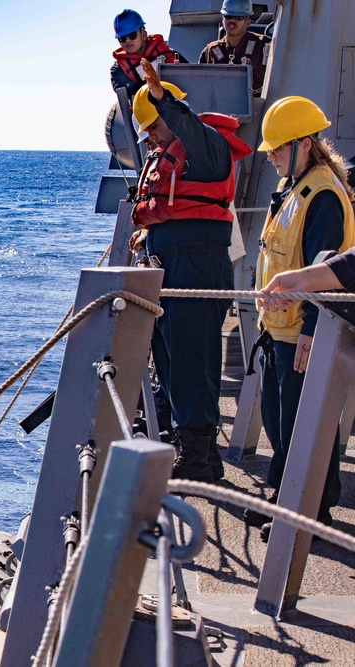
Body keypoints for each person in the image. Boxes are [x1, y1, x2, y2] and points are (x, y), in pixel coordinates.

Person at [128, 59, 253, 482]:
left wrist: (164, 101)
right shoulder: (168, 153)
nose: (148, 136)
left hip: (196, 268)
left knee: (193, 362)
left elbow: (190, 130)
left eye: (152, 126)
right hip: (173, 268)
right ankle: (187, 444)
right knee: (170, 359)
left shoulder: (207, 146)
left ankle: (200, 457)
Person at [248, 96, 355, 529]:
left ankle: (310, 509)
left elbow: (324, 267)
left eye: (277, 147)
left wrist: (311, 330)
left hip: (301, 331)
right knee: (282, 423)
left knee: (303, 428)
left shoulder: (323, 196)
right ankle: (285, 496)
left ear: (305, 144)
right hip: (280, 328)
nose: (270, 155)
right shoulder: (296, 188)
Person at [199, 0, 269, 97]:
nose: (232, 21)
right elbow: (200, 84)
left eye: (238, 18)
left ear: (248, 22)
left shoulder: (263, 45)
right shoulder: (210, 50)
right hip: (219, 107)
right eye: (228, 16)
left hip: (257, 107)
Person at [111, 9, 185, 99]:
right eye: (122, 38)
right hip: (146, 110)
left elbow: (191, 76)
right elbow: (126, 92)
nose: (127, 40)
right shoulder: (118, 70)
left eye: (132, 35)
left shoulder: (170, 53)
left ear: (144, 35)